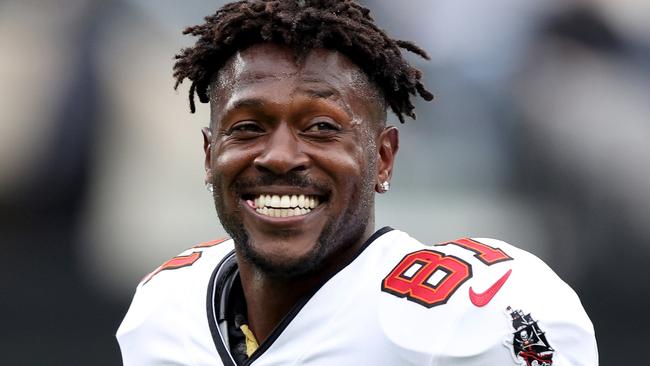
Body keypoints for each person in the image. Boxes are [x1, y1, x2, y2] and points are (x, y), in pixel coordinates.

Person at [116, 1, 598, 365]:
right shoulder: (163, 313)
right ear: (209, 154)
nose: (280, 156)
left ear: (383, 158)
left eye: (322, 128)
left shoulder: (477, 313)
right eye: (247, 127)